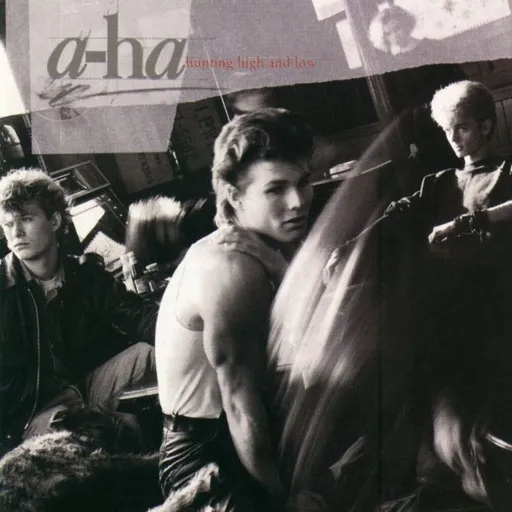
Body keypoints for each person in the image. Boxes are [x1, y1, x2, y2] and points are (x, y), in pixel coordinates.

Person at [155, 108, 314, 510]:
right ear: (234, 196)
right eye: (275, 189)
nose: (297, 202)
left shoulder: (270, 247)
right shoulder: (231, 268)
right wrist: (285, 498)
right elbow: (241, 405)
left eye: (303, 182)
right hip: (205, 457)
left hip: (263, 430)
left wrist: (282, 270)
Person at [383, 79, 512, 505]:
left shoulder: (506, 173)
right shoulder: (439, 183)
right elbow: (393, 218)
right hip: (451, 319)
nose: (454, 138)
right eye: (447, 130)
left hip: (500, 312)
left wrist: (468, 222)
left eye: (462, 127)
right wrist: (345, 247)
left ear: (486, 126)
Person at [0, 168, 158, 456]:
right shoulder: (3, 288)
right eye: (8, 224)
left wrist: (189, 322)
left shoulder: (84, 273)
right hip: (30, 415)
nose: (16, 233)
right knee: (125, 430)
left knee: (160, 346)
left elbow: (139, 315)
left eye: (26, 219)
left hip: (81, 387)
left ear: (55, 221)